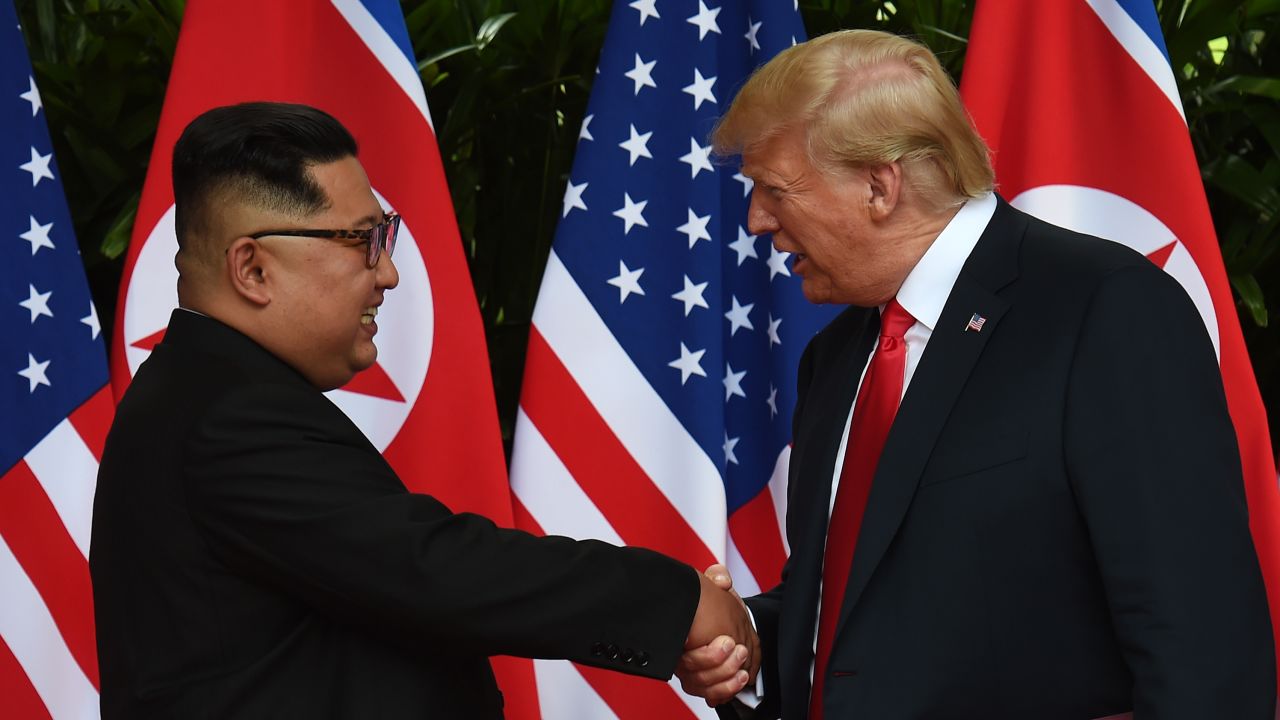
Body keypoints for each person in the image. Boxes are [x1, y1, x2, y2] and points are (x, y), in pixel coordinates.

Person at [674, 29, 1275, 719]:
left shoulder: (1104, 310)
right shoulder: (836, 355)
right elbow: (865, 609)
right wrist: (746, 641)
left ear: (879, 184)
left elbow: (1202, 648)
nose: (755, 219)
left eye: (774, 189)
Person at [89, 102, 754, 719]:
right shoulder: (227, 414)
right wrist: (680, 602)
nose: (388, 274)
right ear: (253, 269)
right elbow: (433, 568)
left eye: (387, 238)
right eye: (363, 242)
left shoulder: (206, 392)